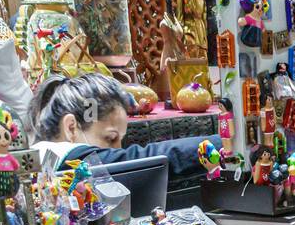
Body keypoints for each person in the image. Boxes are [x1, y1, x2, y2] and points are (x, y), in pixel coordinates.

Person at [29, 73, 214, 179]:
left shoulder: (42, 158)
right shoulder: (66, 160)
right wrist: (228, 144)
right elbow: (148, 160)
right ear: (71, 128)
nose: (117, 150)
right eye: (110, 138)